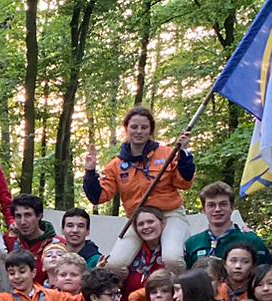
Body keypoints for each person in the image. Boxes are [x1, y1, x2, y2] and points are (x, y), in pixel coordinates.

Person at [83, 106, 195, 273]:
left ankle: (182, 292)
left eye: (144, 127)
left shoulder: (167, 154)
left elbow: (185, 183)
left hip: (169, 213)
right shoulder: (116, 165)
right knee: (114, 265)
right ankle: (121, 296)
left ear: (150, 130)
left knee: (172, 258)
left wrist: (184, 153)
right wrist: (90, 172)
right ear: (126, 129)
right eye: (134, 127)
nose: (139, 131)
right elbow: (98, 197)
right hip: (138, 219)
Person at [183, 182, 272, 267]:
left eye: (223, 204)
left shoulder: (252, 241)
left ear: (232, 207)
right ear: (203, 210)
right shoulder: (192, 243)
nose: (217, 209)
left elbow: (266, 276)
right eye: (211, 205)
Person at [4, 195, 58, 281]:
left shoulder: (57, 244)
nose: (22, 222)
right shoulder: (7, 241)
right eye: (18, 216)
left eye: (28, 215)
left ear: (39, 216)